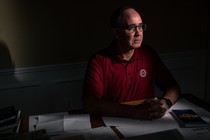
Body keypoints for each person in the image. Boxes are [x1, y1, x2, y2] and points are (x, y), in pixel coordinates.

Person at [82, 6, 180, 120]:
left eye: (140, 27)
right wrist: (135, 112)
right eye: (132, 28)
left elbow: (173, 87)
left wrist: (165, 103)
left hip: (147, 122)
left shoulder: (148, 54)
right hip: (114, 124)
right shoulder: (99, 60)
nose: (138, 33)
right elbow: (90, 103)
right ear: (116, 33)